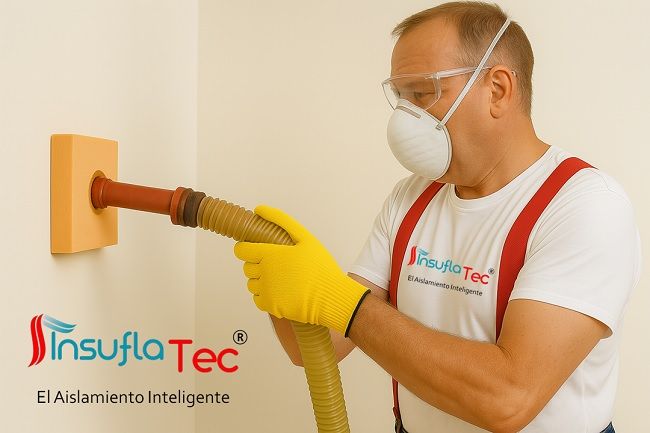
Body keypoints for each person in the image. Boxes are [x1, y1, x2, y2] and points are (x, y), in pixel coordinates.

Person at [233, 2, 642, 432]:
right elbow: (319, 347)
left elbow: (508, 399)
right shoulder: (411, 198)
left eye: (422, 94)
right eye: (401, 97)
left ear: (498, 89)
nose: (405, 118)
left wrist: (345, 303)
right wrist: (285, 284)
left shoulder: (584, 205)